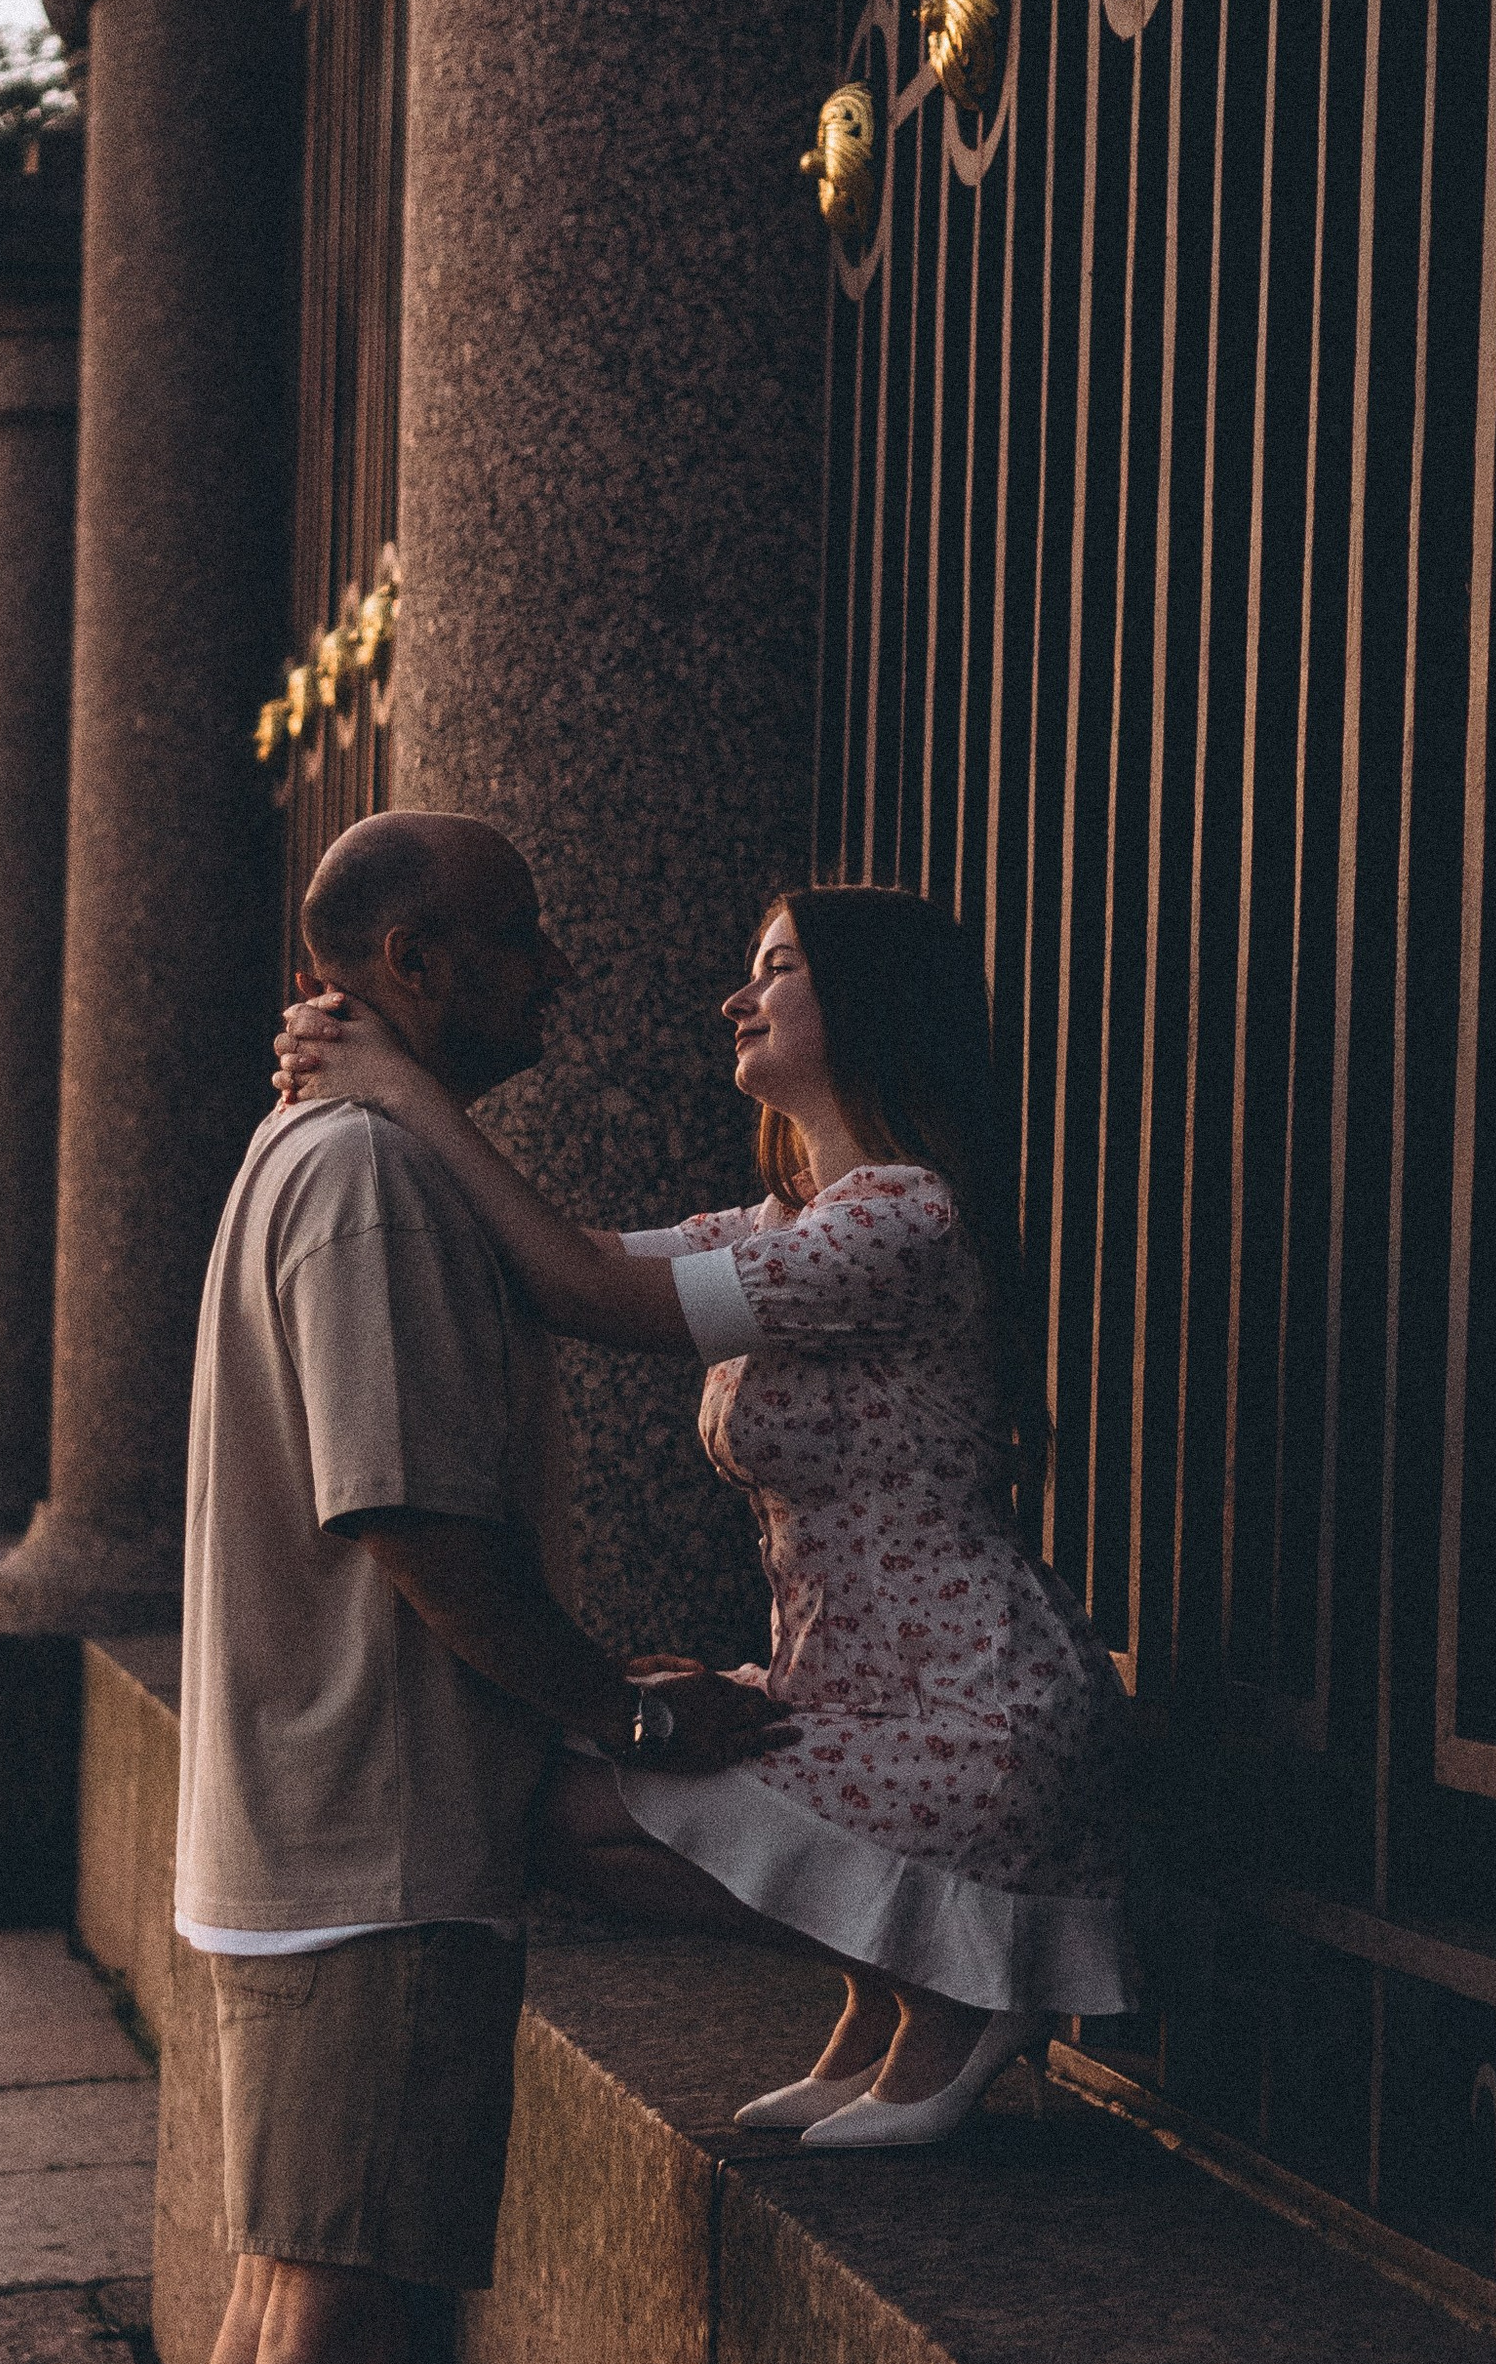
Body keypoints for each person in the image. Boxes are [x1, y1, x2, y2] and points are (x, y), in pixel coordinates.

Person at [155, 810, 792, 2364]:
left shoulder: (340, 1151)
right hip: (371, 1839)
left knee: (279, 2312)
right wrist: (619, 1705)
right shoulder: (367, 1180)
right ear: (413, 961)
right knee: (329, 2334)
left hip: (310, 1824)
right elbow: (412, 1522)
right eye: (518, 941)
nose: (560, 975)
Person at [279, 880, 1138, 2145]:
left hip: (973, 1716)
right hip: (856, 1696)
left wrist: (406, 1093)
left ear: (869, 1003)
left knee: (559, 1812)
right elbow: (544, 1254)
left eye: (778, 970)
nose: (739, 998)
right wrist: (358, 1097)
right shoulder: (788, 1223)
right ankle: (891, 1985)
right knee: (539, 1774)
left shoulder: (903, 1222)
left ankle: (958, 1982)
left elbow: (585, 1289)